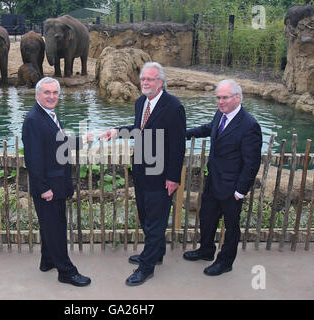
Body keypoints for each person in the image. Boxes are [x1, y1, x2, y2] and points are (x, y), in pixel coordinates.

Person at [100, 62, 186, 286]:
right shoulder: (141, 102)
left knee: (155, 223)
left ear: (161, 82)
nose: (145, 83)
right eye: (143, 79)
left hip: (161, 175)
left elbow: (178, 146)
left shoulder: (173, 106)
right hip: (141, 171)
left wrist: (173, 177)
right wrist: (117, 131)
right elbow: (140, 130)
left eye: (150, 79)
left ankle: (146, 267)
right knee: (147, 218)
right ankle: (156, 254)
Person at [184, 79, 262, 276]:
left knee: (231, 226)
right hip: (214, 181)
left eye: (225, 97)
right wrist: (183, 134)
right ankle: (206, 250)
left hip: (232, 187)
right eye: (218, 97)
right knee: (207, 217)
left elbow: (251, 162)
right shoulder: (220, 114)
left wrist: (240, 191)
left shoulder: (249, 125)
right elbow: (208, 128)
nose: (220, 101)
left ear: (238, 97)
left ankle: (225, 261)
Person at [22, 77, 91, 287]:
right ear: (37, 95)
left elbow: (58, 143)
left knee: (49, 226)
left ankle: (47, 260)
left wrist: (83, 140)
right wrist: (43, 188)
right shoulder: (33, 119)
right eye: (47, 93)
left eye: (55, 93)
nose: (52, 96)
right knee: (56, 228)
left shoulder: (49, 115)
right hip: (48, 187)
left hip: (56, 183)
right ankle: (66, 272)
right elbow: (33, 159)